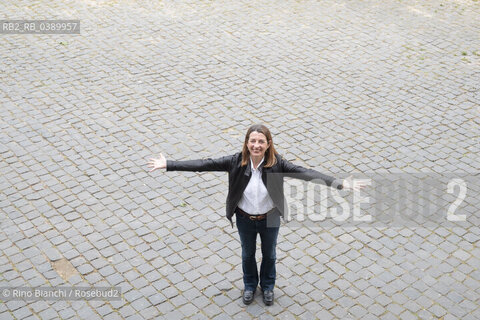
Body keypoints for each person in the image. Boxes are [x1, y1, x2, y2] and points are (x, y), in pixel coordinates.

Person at [147, 124, 364, 306]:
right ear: (246, 143)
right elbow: (204, 164)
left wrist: (340, 184)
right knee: (247, 254)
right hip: (244, 217)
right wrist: (169, 164)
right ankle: (250, 285)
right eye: (253, 141)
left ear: (268, 144)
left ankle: (268, 287)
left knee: (269, 254)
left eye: (261, 141)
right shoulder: (235, 161)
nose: (256, 145)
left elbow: (306, 174)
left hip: (270, 217)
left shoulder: (278, 164)